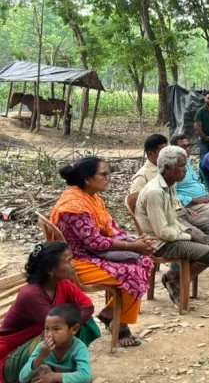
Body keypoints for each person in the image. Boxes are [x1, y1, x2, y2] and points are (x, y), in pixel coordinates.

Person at [51, 157, 155, 348]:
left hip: (92, 254)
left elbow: (111, 228)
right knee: (133, 272)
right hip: (76, 261)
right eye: (104, 174)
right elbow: (95, 242)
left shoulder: (93, 198)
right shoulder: (75, 207)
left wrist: (135, 241)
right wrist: (133, 247)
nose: (109, 178)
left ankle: (109, 313)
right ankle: (120, 325)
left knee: (144, 262)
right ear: (87, 179)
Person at [136, 146, 209, 304]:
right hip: (160, 243)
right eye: (182, 166)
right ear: (168, 168)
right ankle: (177, 281)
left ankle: (175, 278)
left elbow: (173, 219)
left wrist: (189, 231)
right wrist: (190, 236)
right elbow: (162, 232)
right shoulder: (155, 192)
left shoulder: (169, 186)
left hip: (172, 236)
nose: (185, 170)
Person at [0, 243, 100, 383]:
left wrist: (74, 326)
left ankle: (65, 368)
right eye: (68, 261)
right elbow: (54, 329)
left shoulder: (62, 284)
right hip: (10, 355)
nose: (73, 264)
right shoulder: (32, 294)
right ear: (51, 270)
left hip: (43, 340)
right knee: (52, 335)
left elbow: (87, 306)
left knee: (76, 323)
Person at [131, 134, 209, 237]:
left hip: (179, 210)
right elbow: (138, 206)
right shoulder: (142, 176)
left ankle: (201, 248)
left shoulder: (171, 170)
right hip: (166, 217)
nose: (166, 156)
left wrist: (182, 206)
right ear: (151, 154)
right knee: (199, 237)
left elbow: (172, 196)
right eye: (162, 152)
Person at [19, 304, 91, 383]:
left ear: (74, 329)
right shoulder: (42, 348)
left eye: (56, 329)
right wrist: (40, 357)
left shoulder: (79, 348)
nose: (49, 334)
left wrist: (54, 377)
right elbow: (23, 378)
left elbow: (85, 376)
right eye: (47, 329)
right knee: (40, 371)